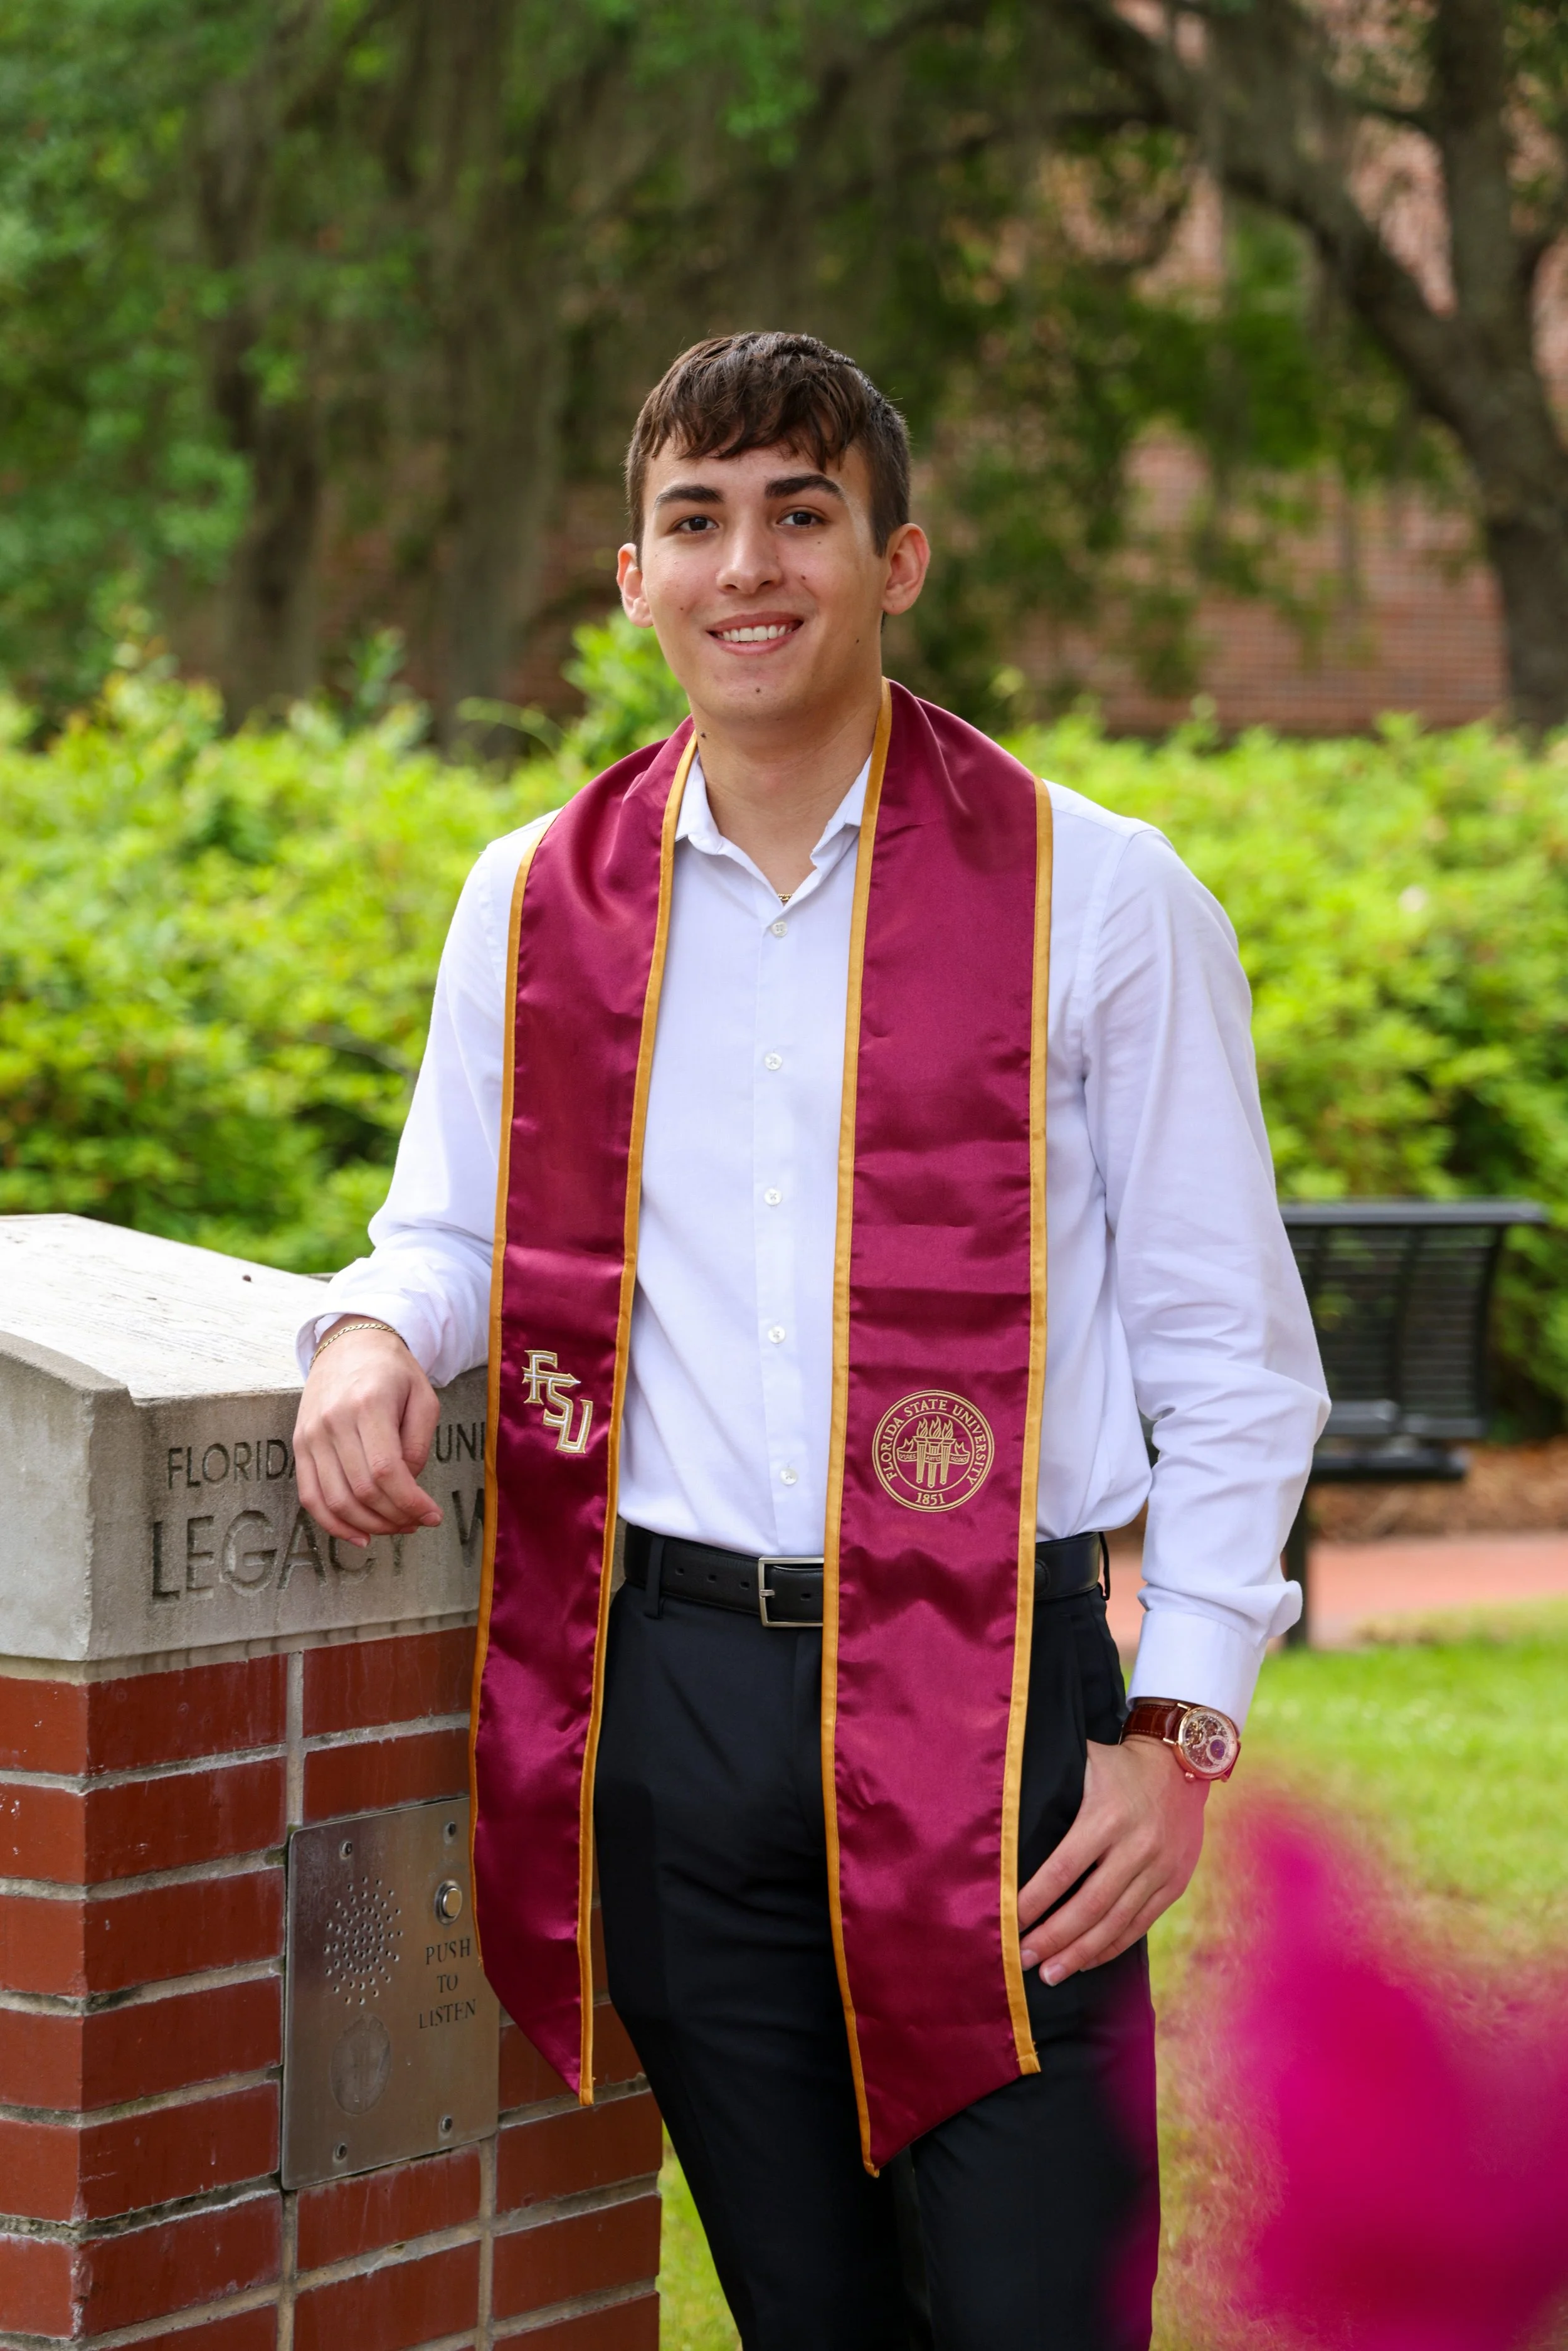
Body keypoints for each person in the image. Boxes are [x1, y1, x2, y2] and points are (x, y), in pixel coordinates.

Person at [294, 331, 1328, 2350]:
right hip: (665, 1708)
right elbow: (446, 1224)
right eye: (695, 520)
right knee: (803, 2313)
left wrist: (1177, 1721)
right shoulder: (532, 900)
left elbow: (1232, 1351)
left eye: (800, 513)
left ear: (897, 557)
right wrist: (360, 1332)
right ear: (631, 575)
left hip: (999, 1703)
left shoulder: (1100, 900)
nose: (744, 565)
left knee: (1040, 2304)